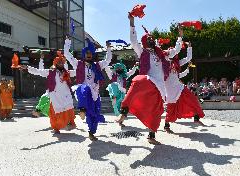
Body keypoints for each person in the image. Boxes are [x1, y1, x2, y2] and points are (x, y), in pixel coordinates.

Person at [116, 13, 183, 145]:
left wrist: (180, 35)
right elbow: (134, 41)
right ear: (145, 41)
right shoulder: (143, 52)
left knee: (157, 110)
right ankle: (124, 111)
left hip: (160, 87)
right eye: (149, 39)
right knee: (137, 80)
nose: (151, 40)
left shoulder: (162, 54)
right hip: (149, 80)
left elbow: (176, 50)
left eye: (152, 39)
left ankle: (151, 135)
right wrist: (131, 23)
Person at [64, 37, 112, 141]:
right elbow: (67, 55)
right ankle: (82, 109)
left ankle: (91, 132)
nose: (89, 54)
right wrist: (68, 42)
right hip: (82, 90)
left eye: (91, 53)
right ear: (84, 54)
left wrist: (108, 48)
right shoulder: (78, 64)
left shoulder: (97, 65)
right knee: (85, 88)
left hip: (94, 92)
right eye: (87, 52)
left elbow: (108, 60)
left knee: (95, 113)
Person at [20, 51, 76, 133]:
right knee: (53, 112)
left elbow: (78, 72)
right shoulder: (51, 72)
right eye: (59, 62)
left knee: (68, 110)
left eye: (62, 62)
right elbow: (39, 71)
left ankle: (69, 123)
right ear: (56, 64)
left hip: (65, 96)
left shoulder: (67, 73)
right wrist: (27, 68)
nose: (61, 64)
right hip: (55, 96)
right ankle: (56, 128)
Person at [164, 45, 205, 133]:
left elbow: (188, 58)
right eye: (170, 51)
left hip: (179, 86)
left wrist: (189, 47)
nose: (172, 52)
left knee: (192, 98)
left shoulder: (177, 62)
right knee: (171, 108)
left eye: (173, 51)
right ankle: (166, 126)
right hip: (169, 88)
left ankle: (196, 117)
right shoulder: (163, 62)